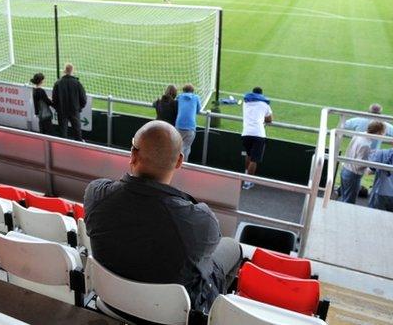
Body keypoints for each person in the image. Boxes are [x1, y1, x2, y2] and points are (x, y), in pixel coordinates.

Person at [84, 120, 242, 313]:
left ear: (133, 155)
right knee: (233, 247)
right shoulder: (201, 220)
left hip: (111, 304)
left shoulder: (95, 194)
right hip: (168, 315)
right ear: (179, 161)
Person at [339, 121, 386, 204]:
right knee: (348, 202)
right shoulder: (366, 145)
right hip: (353, 175)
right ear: (378, 132)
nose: (383, 134)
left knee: (344, 198)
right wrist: (371, 163)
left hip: (345, 169)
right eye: (382, 132)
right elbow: (358, 165)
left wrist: (370, 154)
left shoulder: (359, 134)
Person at [241, 87, 272, 190]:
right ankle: (247, 182)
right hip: (258, 134)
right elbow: (269, 119)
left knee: (249, 155)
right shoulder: (264, 104)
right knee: (254, 159)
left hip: (246, 133)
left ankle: (245, 176)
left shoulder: (245, 102)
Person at [52, 63, 87, 141]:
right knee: (77, 132)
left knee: (63, 132)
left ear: (64, 71)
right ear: (72, 71)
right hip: (74, 110)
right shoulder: (77, 83)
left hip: (62, 111)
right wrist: (78, 108)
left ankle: (63, 148)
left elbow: (54, 100)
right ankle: (78, 147)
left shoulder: (58, 83)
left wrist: (58, 108)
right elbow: (84, 99)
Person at [175, 84, 201, 161]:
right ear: (193, 91)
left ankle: (175, 163)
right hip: (190, 127)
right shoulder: (196, 98)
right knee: (186, 147)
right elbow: (198, 110)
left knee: (178, 146)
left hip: (179, 125)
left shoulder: (180, 97)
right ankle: (183, 164)